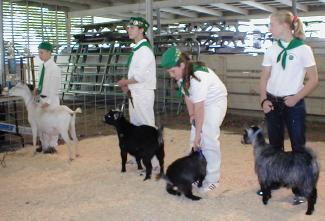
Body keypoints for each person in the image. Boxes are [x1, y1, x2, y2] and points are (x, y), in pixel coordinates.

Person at [259, 10, 319, 204]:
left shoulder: (303, 49)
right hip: (273, 102)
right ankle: (275, 180)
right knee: (275, 146)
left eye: (271, 24)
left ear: (284, 26)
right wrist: (263, 99)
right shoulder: (271, 49)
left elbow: (314, 79)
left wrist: (296, 97)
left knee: (298, 147)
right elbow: (264, 77)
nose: (269, 28)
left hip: (294, 104)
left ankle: (302, 187)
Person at [160, 46, 228, 193]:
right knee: (194, 142)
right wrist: (191, 117)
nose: (171, 75)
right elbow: (187, 95)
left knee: (208, 138)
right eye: (169, 72)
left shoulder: (198, 78)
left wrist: (198, 134)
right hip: (201, 104)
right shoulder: (182, 76)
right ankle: (197, 175)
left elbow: (200, 108)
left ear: (182, 65)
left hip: (215, 102)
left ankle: (213, 180)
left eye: (173, 71)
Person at [117, 17, 159, 167]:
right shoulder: (137, 49)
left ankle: (153, 161)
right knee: (135, 125)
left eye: (133, 28)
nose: (129, 30)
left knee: (147, 126)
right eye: (128, 28)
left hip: (143, 92)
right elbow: (135, 74)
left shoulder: (144, 51)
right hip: (136, 92)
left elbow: (140, 76)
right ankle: (138, 158)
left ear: (141, 30)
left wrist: (125, 82)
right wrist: (128, 85)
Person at [34, 41, 62, 154]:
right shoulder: (41, 66)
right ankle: (44, 145)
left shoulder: (54, 68)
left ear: (49, 52)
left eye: (41, 52)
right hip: (41, 98)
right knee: (41, 122)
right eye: (39, 52)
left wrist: (48, 101)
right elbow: (40, 81)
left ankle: (53, 146)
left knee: (52, 123)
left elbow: (55, 87)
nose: (40, 55)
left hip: (51, 100)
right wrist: (36, 88)